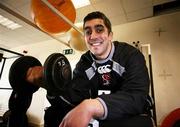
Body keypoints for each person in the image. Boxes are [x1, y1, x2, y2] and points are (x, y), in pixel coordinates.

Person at [26, 11, 153, 127]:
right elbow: (74, 96)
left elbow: (136, 95)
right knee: (53, 114)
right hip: (98, 111)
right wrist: (49, 84)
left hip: (132, 112)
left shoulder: (130, 55)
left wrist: (91, 106)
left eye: (99, 30)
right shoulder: (84, 62)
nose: (93, 36)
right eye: (88, 32)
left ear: (110, 35)